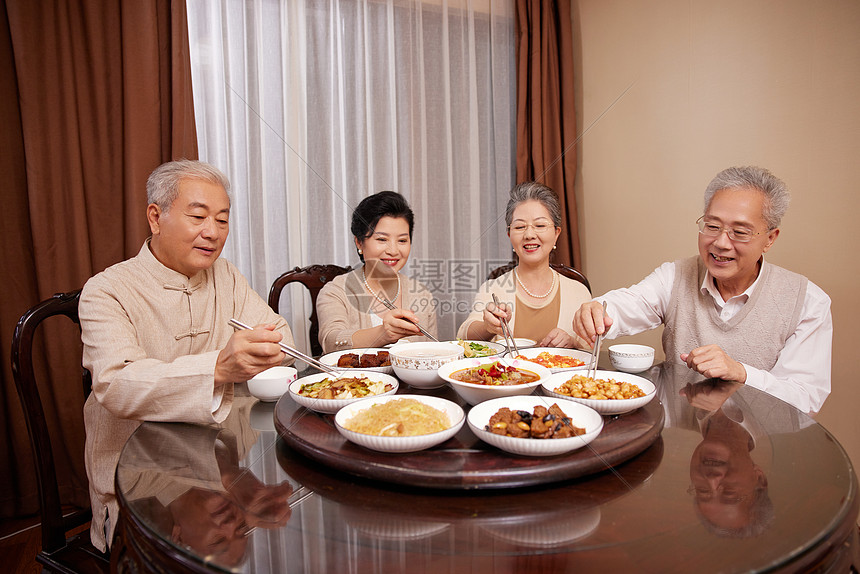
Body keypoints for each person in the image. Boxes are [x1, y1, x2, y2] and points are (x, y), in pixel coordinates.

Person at [79, 159, 295, 551]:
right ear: (155, 217)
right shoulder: (107, 290)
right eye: (198, 216)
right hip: (142, 484)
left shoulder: (225, 275)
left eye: (223, 220)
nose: (212, 233)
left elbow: (279, 334)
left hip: (217, 460)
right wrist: (217, 367)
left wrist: (265, 349)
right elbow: (115, 384)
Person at [573, 166, 832, 415]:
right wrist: (598, 309)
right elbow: (629, 303)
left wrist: (741, 372)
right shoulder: (675, 275)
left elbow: (805, 398)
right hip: (679, 445)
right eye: (712, 226)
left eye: (739, 232)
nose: (720, 243)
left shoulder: (808, 301)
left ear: (770, 238)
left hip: (759, 451)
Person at [457, 182, 591, 348]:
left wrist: (572, 343)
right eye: (520, 227)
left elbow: (592, 351)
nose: (529, 235)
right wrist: (487, 327)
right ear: (509, 234)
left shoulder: (578, 292)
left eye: (540, 225)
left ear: (556, 233)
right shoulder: (493, 288)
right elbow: (464, 335)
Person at [317, 191, 438, 353]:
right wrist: (383, 334)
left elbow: (434, 353)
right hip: (356, 378)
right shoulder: (336, 291)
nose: (393, 251)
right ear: (359, 242)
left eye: (402, 240)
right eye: (382, 239)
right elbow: (331, 341)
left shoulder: (421, 294)